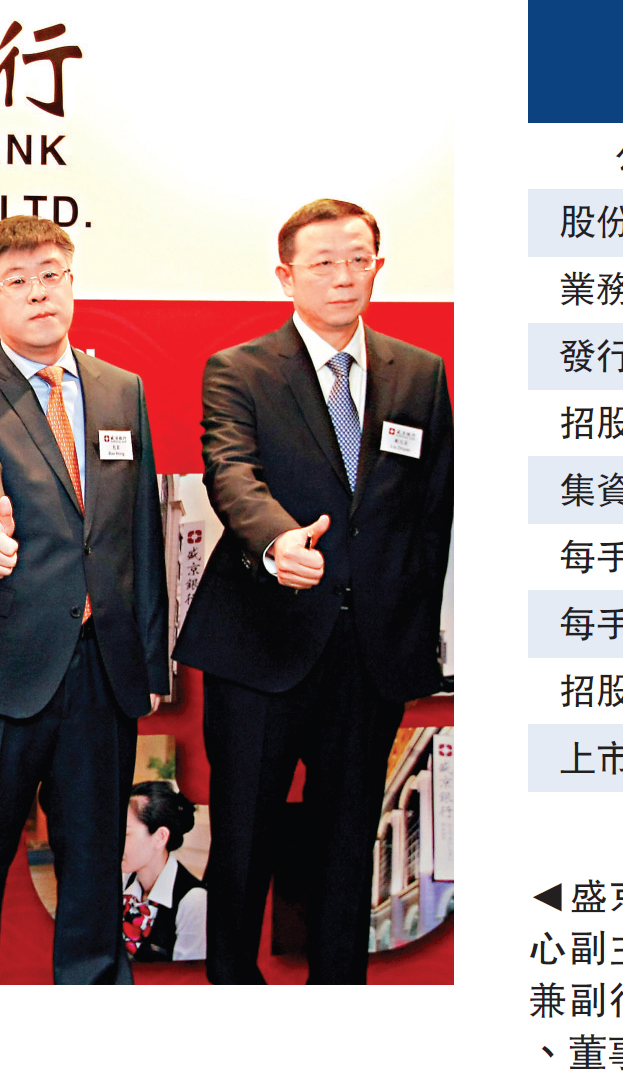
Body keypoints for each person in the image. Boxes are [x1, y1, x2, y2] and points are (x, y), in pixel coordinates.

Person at [176, 198, 454, 984]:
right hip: (261, 642)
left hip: (371, 653)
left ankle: (339, 1002)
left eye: (358, 259)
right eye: (323, 262)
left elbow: (432, 512)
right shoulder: (240, 369)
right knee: (244, 836)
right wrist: (275, 540)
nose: (343, 276)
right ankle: (235, 991)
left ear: (378, 266)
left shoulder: (420, 372)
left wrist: (418, 633)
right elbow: (231, 474)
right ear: (286, 275)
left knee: (347, 842)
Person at [0, 216, 167, 985]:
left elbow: (140, 533)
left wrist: (149, 660)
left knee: (94, 866)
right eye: (17, 281)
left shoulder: (121, 388)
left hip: (101, 669)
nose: (38, 293)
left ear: (71, 281)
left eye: (51, 274)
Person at [119, 780, 208, 963]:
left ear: (160, 837)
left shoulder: (192, 901)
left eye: (126, 834)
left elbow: (187, 977)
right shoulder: (122, 881)